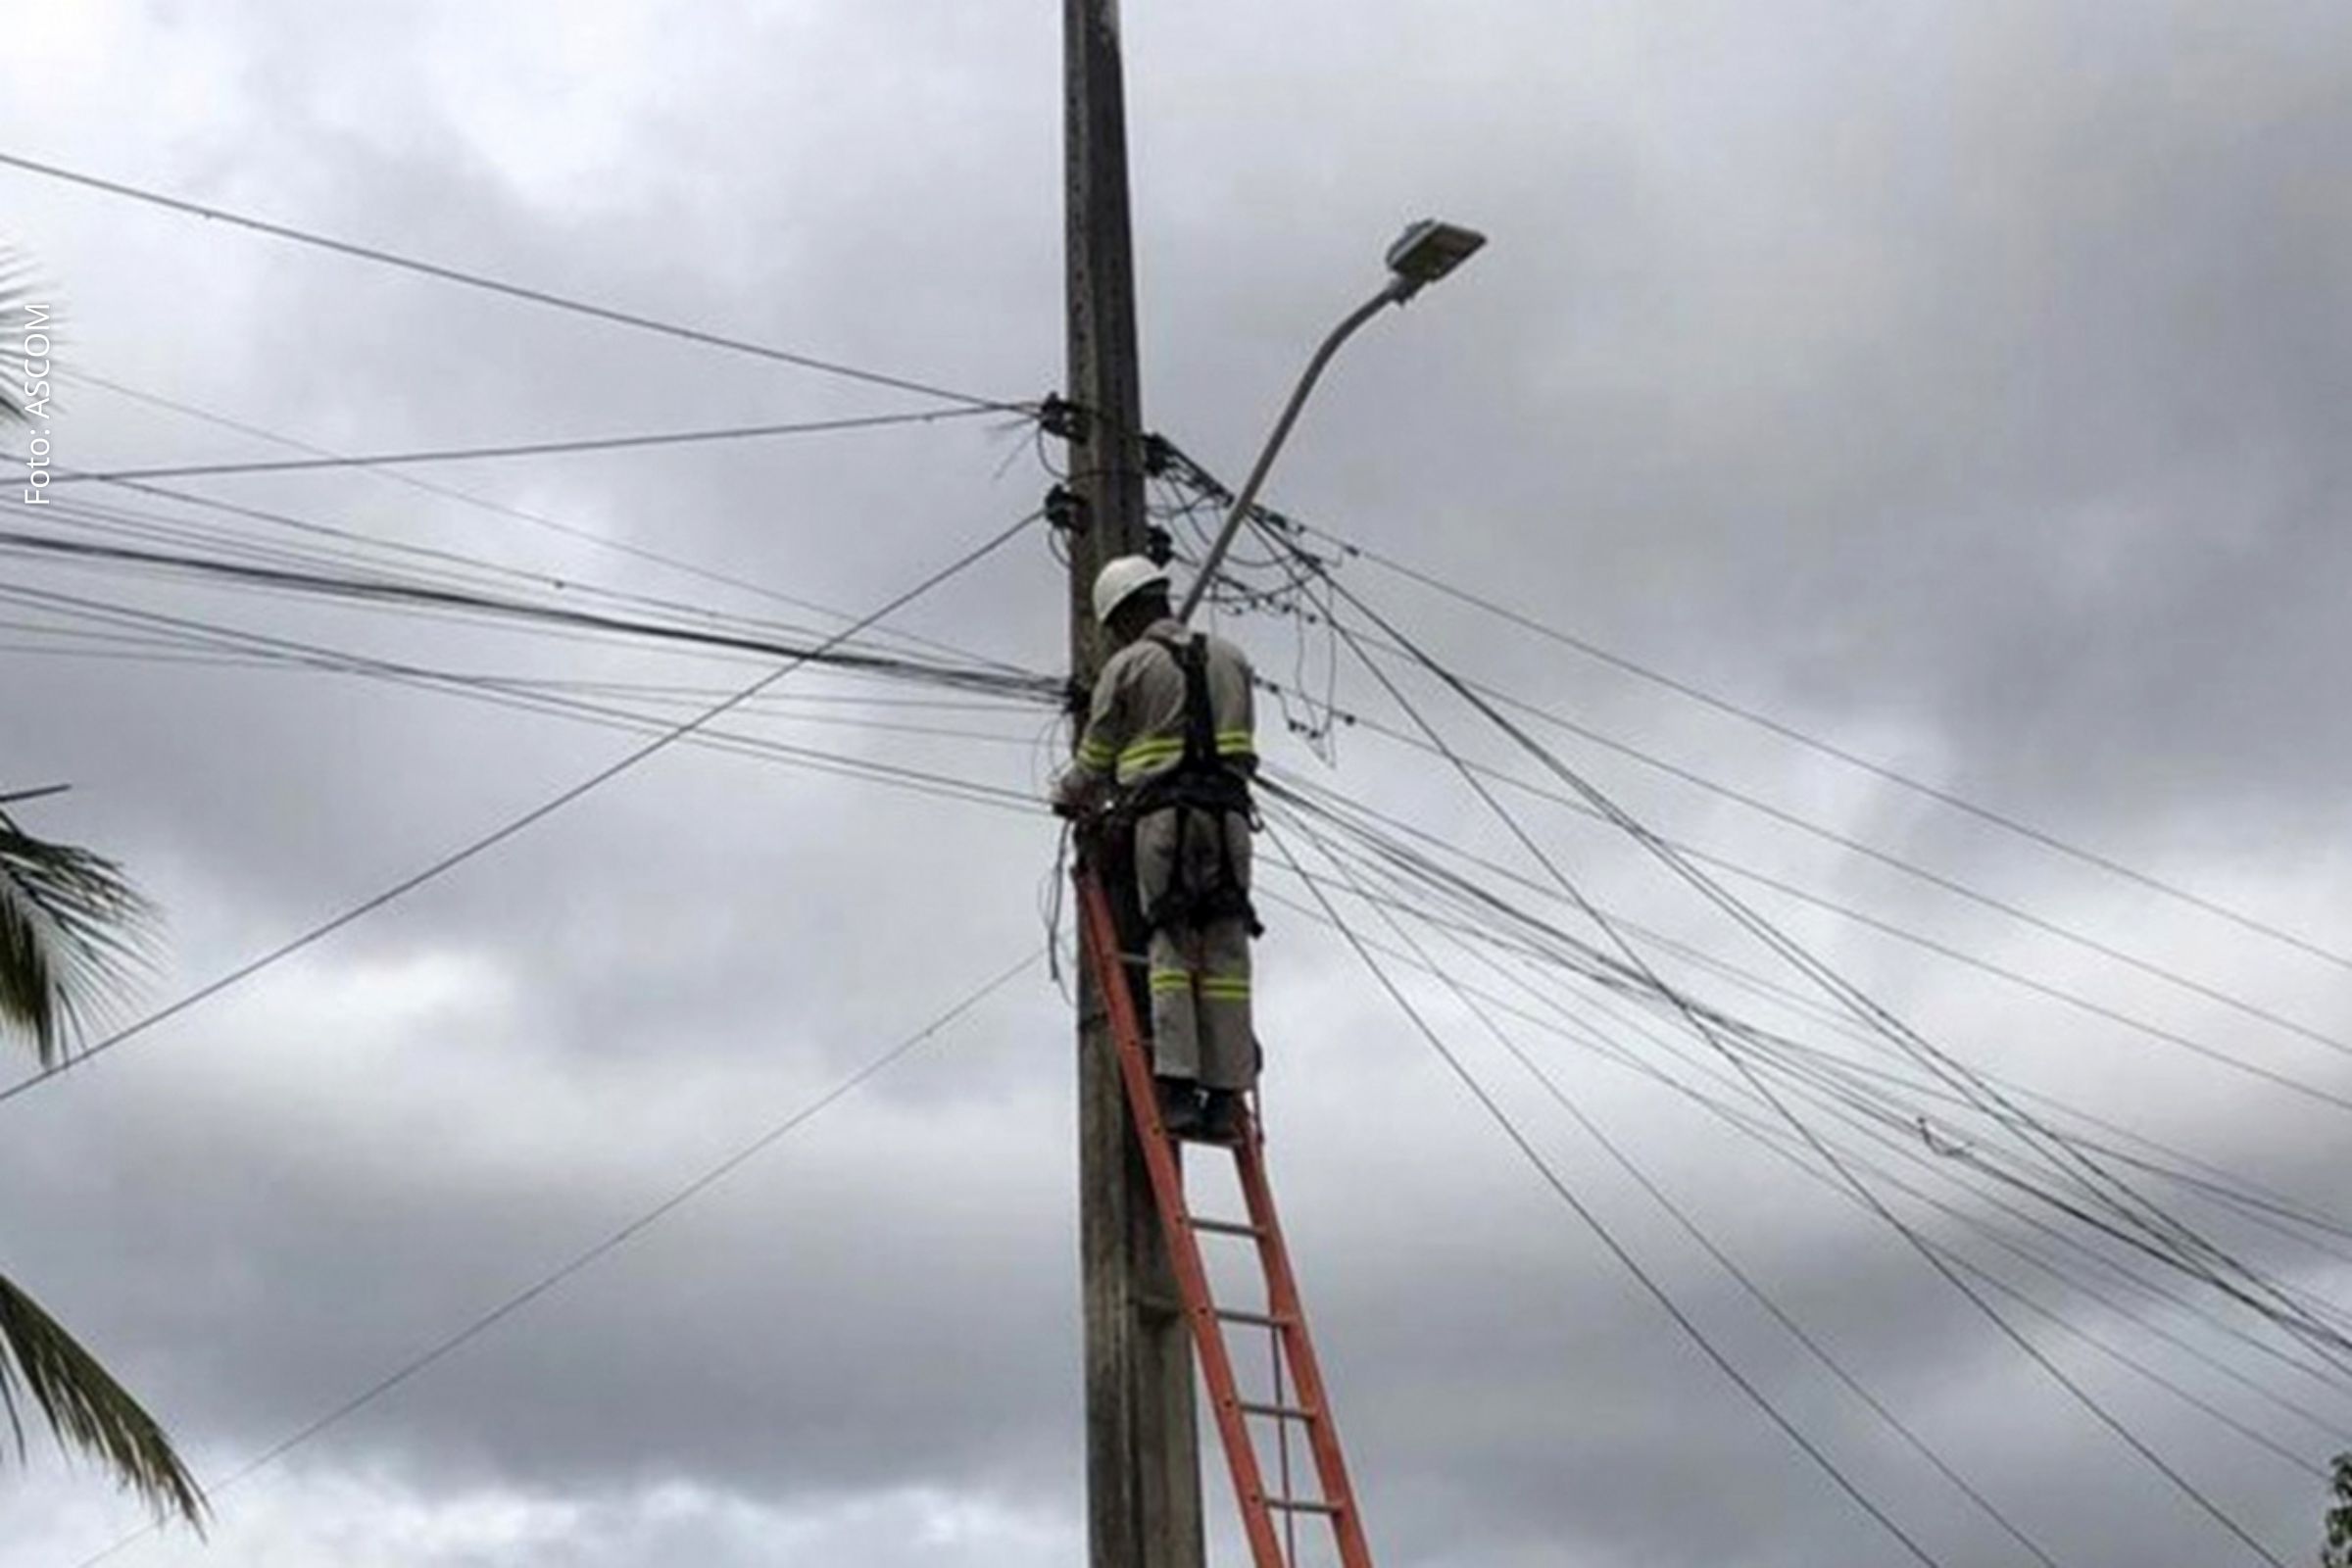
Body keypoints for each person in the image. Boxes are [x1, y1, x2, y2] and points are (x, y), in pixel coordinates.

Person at [1054, 556, 1259, 1142]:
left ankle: (1176, 1088)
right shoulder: (1232, 659)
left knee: (1170, 946)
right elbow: (1243, 749)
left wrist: (1065, 795)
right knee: (1224, 953)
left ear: (1125, 613)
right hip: (1229, 821)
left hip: (1165, 822)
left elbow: (1096, 760)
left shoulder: (1129, 666)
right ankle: (1226, 1097)